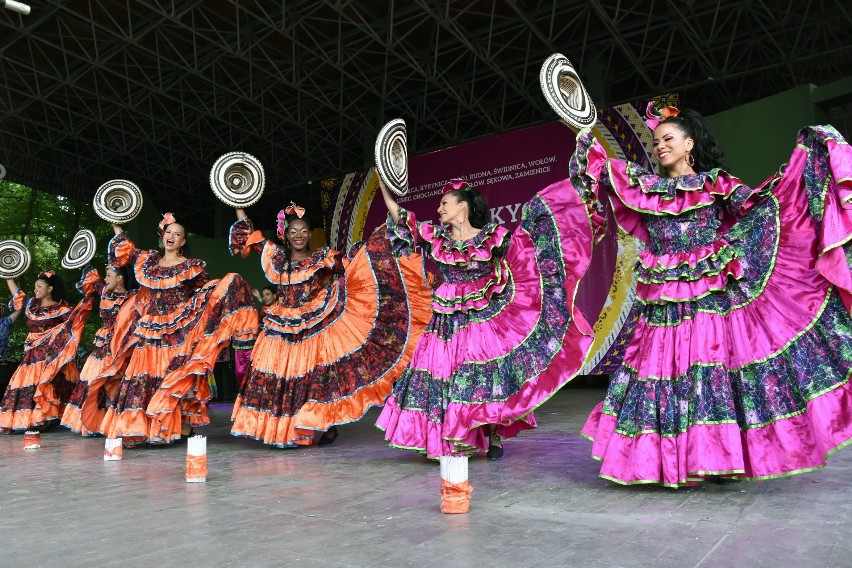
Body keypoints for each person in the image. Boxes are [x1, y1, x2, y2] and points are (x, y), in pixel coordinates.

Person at [563, 97, 852, 486]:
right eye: (656, 142)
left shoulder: (716, 183)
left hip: (708, 292)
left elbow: (762, 211)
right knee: (661, 373)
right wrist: (584, 133)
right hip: (663, 296)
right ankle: (662, 463)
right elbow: (603, 170)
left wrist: (799, 172)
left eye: (668, 139)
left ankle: (714, 458)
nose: (660, 146)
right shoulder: (646, 188)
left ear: (689, 145)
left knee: (704, 370)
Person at [375, 176, 597, 459]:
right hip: (446, 320)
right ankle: (449, 438)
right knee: (443, 376)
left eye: (444, 203)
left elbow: (525, 256)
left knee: (485, 376)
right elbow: (402, 217)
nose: (439, 209)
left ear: (463, 205)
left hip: (485, 317)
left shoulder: (493, 236)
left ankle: (492, 437)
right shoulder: (436, 237)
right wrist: (384, 181)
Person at [229, 203, 432, 447]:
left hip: (314, 324)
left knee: (316, 379)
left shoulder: (321, 258)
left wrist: (377, 254)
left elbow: (352, 266)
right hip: (280, 326)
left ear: (310, 234)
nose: (299, 236)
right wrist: (240, 207)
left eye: (304, 231)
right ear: (285, 233)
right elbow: (252, 237)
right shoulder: (276, 258)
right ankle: (282, 429)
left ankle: (327, 425)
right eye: (293, 231)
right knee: (277, 377)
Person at [102, 213, 258, 445]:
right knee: (145, 376)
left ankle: (175, 426)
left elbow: (206, 293)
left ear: (183, 241)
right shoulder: (149, 262)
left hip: (179, 330)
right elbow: (126, 250)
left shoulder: (190, 267)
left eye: (177, 234)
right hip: (150, 329)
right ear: (162, 236)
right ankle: (144, 427)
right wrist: (116, 222)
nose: (172, 236)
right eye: (169, 232)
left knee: (174, 376)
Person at [0, 270, 98, 432]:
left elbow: (75, 323)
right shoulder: (31, 306)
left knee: (48, 386)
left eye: (39, 286)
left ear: (50, 289)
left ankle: (46, 418)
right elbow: (18, 295)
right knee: (30, 387)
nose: (35, 289)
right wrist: (8, 275)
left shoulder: (63, 310)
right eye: (35, 286)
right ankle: (33, 419)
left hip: (52, 359)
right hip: (32, 358)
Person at [61, 264, 138, 436]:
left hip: (119, 346)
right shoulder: (104, 292)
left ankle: (111, 423)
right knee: (93, 381)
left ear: (120, 278)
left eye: (109, 275)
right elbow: (90, 280)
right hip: (101, 345)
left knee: (114, 382)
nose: (105, 278)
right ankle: (91, 423)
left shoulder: (133, 298)